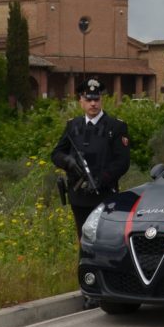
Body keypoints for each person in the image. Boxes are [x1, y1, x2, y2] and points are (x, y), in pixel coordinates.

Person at [52, 78, 131, 240]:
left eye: (96, 99)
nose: (93, 104)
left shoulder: (115, 126)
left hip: (104, 196)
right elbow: (56, 154)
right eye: (88, 100)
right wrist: (68, 162)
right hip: (79, 197)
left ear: (101, 100)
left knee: (104, 241)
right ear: (81, 102)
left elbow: (122, 162)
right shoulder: (73, 126)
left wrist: (101, 179)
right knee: (84, 241)